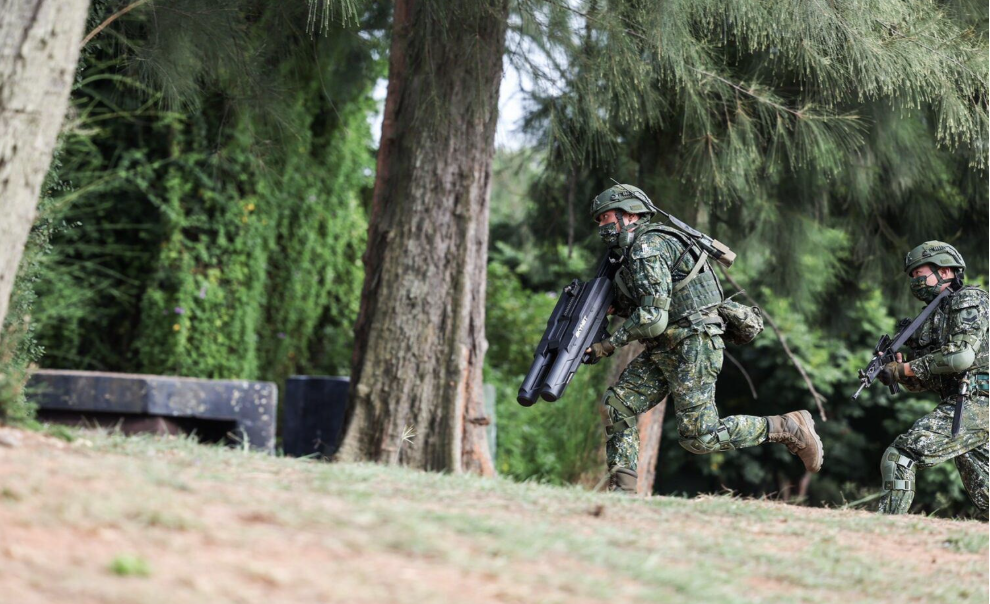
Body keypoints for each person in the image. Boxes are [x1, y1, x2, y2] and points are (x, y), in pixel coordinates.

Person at [585, 184, 823, 493]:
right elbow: (658, 304)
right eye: (598, 221)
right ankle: (623, 493)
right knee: (619, 404)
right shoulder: (640, 249)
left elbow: (653, 319)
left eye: (605, 218)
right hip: (669, 345)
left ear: (630, 214)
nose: (602, 227)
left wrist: (607, 345)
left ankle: (786, 427)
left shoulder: (648, 244)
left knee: (699, 437)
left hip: (693, 342)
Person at [876, 241, 988, 517]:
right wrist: (901, 372)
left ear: (946, 270)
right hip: (965, 402)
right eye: (911, 276)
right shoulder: (929, 319)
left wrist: (905, 369)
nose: (915, 281)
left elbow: (960, 358)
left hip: (978, 401)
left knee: (900, 455)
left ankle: (883, 531)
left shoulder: (968, 299)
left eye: (919, 273)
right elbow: (930, 380)